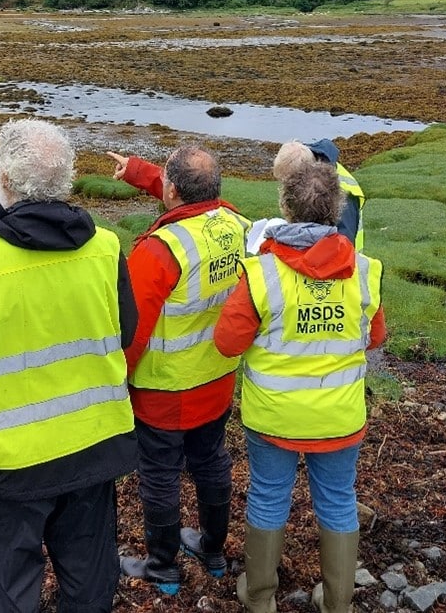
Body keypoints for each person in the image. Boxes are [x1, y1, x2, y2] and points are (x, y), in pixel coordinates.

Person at [0, 119, 137, 613]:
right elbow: (124, 332)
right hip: (93, 445)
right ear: (66, 181)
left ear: (3, 178)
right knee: (89, 583)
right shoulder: (106, 247)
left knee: (8, 591)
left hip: (6, 460)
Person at [215, 160, 385, 613]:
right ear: (337, 207)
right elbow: (377, 336)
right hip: (339, 416)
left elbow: (227, 343)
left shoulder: (260, 275)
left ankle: (260, 597)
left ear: (284, 207)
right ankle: (337, 603)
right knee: (338, 500)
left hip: (275, 416)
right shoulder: (365, 272)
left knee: (270, 497)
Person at [107, 145, 249, 594]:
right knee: (211, 461)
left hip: (163, 392)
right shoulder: (238, 226)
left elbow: (130, 332)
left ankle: (163, 565)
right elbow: (191, 195)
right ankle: (211, 549)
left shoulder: (157, 252)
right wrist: (137, 171)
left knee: (160, 475)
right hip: (219, 379)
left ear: (172, 189)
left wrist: (112, 385)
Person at [272, 139, 365, 251]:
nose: (286, 188)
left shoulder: (341, 195)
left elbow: (343, 246)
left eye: (290, 183)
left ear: (304, 175)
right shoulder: (308, 159)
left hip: (347, 263)